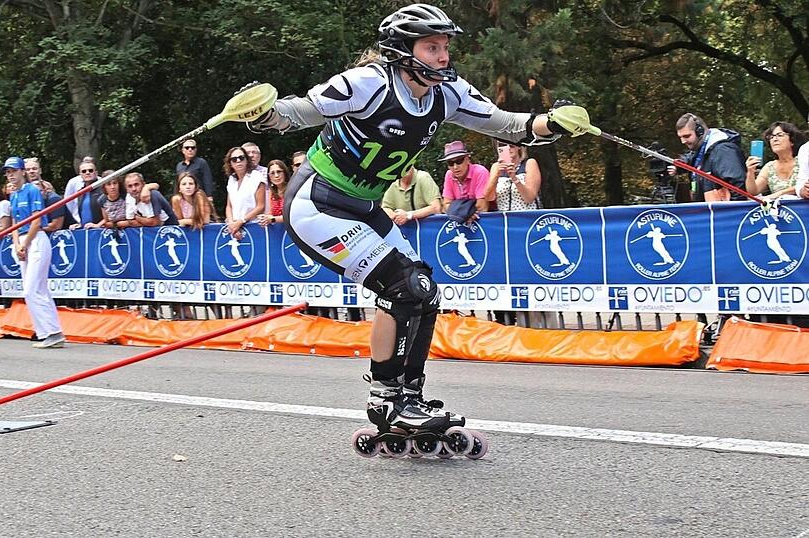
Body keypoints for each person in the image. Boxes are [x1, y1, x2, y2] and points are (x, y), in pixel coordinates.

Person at [248, 3, 591, 439]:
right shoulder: (367, 82)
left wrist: (554, 123)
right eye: (432, 48)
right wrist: (264, 113)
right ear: (401, 50)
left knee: (424, 292)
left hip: (365, 205)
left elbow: (509, 126)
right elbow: (298, 111)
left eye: (445, 47)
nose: (444, 57)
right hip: (319, 202)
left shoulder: (449, 92)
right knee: (403, 287)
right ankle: (386, 399)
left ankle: (408, 396)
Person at [5, 156, 65, 349]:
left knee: (32, 289)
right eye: (8, 172)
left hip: (36, 239)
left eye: (13, 170)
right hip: (22, 240)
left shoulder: (32, 191)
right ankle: (47, 333)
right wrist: (17, 244)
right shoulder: (13, 195)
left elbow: (36, 221)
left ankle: (52, 332)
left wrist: (26, 243)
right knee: (38, 290)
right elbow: (15, 223)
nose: (10, 175)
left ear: (23, 171)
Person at [673, 113, 746, 202]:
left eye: (687, 136)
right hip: (709, 211)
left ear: (700, 131)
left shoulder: (723, 150)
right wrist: (679, 166)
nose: (683, 141)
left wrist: (732, 213)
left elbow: (737, 187)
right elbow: (691, 157)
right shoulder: (702, 151)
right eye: (680, 137)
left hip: (722, 213)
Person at [745, 122, 804, 200]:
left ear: (792, 140)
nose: (775, 139)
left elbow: (805, 185)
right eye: (771, 137)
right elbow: (753, 191)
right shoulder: (769, 167)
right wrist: (750, 172)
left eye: (780, 135)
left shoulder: (803, 160)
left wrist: (780, 193)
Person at [440, 140, 491, 223]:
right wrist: (465, 214)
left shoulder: (480, 172)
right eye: (451, 163)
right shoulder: (449, 175)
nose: (455, 167)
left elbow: (482, 207)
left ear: (467, 160)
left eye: (459, 161)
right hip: (461, 222)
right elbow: (445, 205)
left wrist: (457, 211)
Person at [223, 146, 266, 239]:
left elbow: (261, 206)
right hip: (234, 228)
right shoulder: (231, 179)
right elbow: (229, 206)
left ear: (247, 160)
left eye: (241, 158)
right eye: (234, 159)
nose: (238, 161)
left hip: (254, 226)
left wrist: (241, 221)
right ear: (230, 163)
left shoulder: (257, 177)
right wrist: (231, 224)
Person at [485, 144, 542, 211]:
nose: (508, 148)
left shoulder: (529, 163)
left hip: (527, 215)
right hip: (504, 216)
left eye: (511, 146)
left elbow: (529, 198)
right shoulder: (496, 167)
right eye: (503, 146)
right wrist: (496, 176)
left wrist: (514, 178)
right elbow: (489, 197)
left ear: (519, 147)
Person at [175, 139, 216, 205]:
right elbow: (177, 183)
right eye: (187, 147)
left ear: (196, 150)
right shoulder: (179, 166)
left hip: (199, 199)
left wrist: (209, 197)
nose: (190, 149)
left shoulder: (202, 162)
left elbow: (207, 180)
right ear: (183, 150)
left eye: (193, 148)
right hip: (184, 200)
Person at [65, 157, 100, 224]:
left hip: (101, 229)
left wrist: (98, 225)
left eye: (90, 170)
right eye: (84, 171)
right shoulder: (80, 192)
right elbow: (69, 204)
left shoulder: (103, 189)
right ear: (80, 175)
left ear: (96, 173)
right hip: (84, 229)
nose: (87, 173)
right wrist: (78, 224)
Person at [257, 159, 289, 226]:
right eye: (272, 173)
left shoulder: (292, 189)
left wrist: (273, 219)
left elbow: (293, 216)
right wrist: (265, 219)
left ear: (285, 173)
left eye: (279, 172)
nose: (276, 175)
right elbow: (270, 213)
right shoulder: (270, 193)